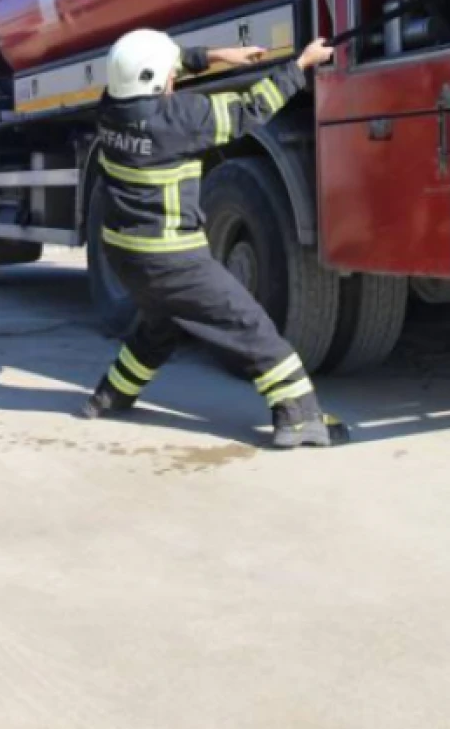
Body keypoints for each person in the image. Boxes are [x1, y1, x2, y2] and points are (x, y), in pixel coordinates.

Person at [80, 29, 347, 449]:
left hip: (126, 257)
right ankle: (298, 417)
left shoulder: (109, 110)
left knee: (160, 326)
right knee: (249, 325)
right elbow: (250, 109)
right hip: (173, 259)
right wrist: (300, 65)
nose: (175, 76)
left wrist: (220, 56)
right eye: (171, 72)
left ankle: (110, 395)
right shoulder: (181, 118)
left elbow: (156, 70)